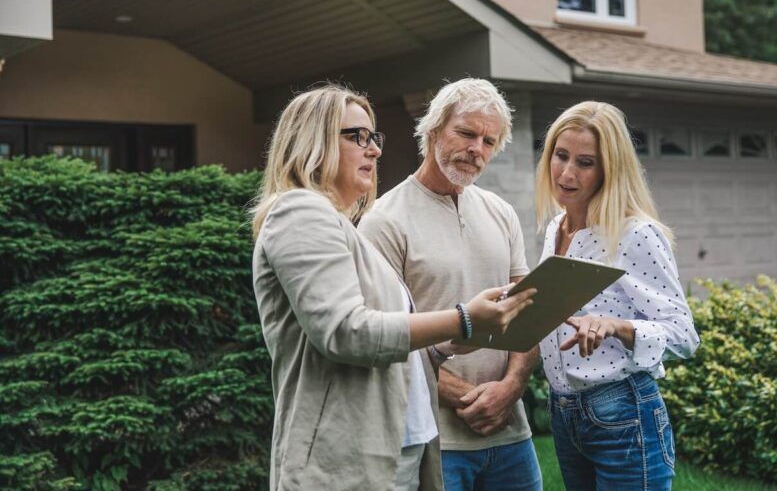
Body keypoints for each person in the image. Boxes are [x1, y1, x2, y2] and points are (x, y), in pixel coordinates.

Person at [250, 84, 535, 491]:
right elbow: (346, 333)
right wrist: (462, 321)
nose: (374, 150)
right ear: (313, 141)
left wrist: (444, 346)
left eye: (374, 138)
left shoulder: (334, 223)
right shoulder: (300, 212)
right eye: (357, 136)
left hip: (402, 452)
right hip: (348, 460)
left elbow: (391, 337)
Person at [358, 78, 543, 491]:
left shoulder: (502, 212)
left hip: (511, 432)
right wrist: (469, 399)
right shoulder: (384, 221)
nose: (477, 149)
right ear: (433, 129)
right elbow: (385, 336)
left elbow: (527, 310)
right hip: (437, 438)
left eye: (489, 141)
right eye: (466, 132)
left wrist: (511, 388)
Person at [534, 101, 700, 491]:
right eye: (561, 156)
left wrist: (617, 326)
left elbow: (684, 335)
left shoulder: (634, 233)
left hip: (623, 412)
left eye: (586, 163)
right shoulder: (556, 227)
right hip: (563, 412)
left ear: (609, 169)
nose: (567, 173)